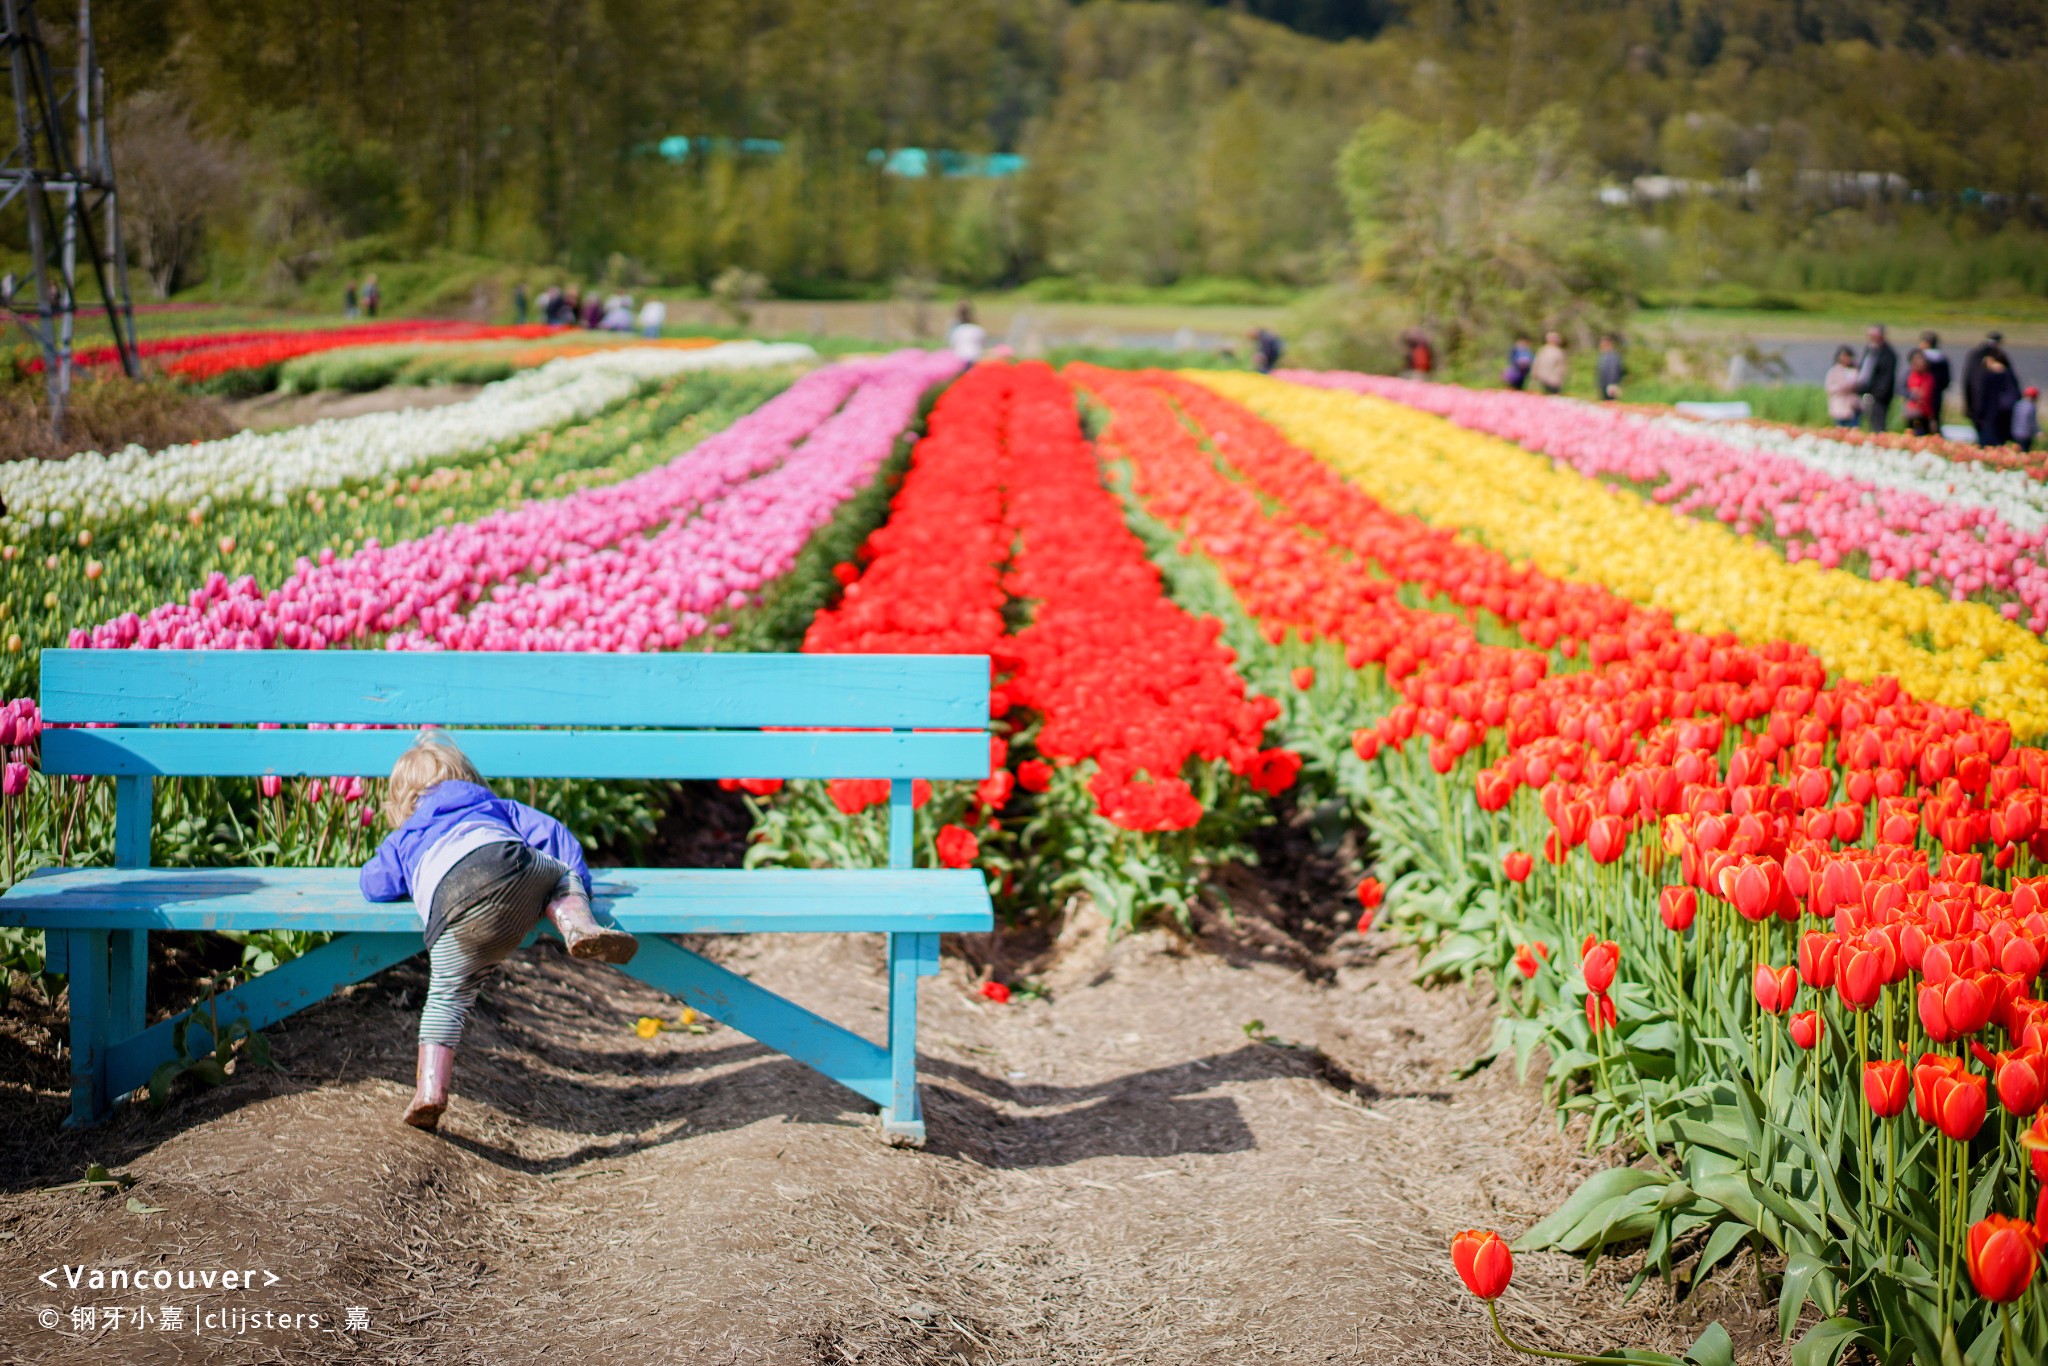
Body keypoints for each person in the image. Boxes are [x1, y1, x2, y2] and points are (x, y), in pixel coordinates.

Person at [361, 733, 638, 1131]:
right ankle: (576, 922)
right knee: (561, 872)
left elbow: (375, 885)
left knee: (445, 1000)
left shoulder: (404, 836)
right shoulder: (493, 806)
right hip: (508, 867)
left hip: (449, 914)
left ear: (403, 801)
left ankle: (429, 1091)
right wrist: (580, 882)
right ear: (468, 778)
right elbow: (555, 838)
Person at [1965, 332, 2017, 443]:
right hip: (2000, 414)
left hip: (1983, 411)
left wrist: (1971, 408)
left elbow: (1969, 383)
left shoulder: (1976, 356)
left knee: (1985, 440)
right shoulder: (2005, 368)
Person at [1856, 324, 1897, 431]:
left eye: (1873, 335)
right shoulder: (1870, 350)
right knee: (1869, 419)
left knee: (1878, 421)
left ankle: (1879, 440)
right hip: (1866, 392)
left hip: (1879, 395)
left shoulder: (1888, 354)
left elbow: (1887, 377)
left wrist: (1878, 393)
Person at [1977, 355, 2021, 446]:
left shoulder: (1988, 376)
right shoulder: (2009, 374)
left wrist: (1979, 414)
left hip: (1991, 414)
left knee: (1989, 440)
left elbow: (1982, 397)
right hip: (2006, 414)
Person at [1912, 331, 1951, 422]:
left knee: (1919, 421)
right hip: (1937, 394)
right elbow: (1946, 379)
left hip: (1920, 395)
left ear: (1926, 343)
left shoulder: (1921, 357)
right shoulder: (1942, 358)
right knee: (1934, 418)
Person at [1823, 346, 1862, 428]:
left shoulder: (1855, 370)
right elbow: (1829, 388)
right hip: (1839, 405)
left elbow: (1860, 384)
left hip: (1853, 405)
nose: (1846, 359)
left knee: (1854, 428)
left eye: (1848, 356)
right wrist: (1842, 387)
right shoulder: (1834, 371)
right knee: (1840, 427)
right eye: (1844, 356)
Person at [1903, 350, 1938, 436]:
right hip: (1912, 411)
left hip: (1926, 412)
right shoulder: (1909, 375)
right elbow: (1901, 389)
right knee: (1912, 433)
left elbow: (1931, 395)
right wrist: (1912, 394)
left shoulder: (1929, 377)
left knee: (1926, 434)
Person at [1595, 335, 1625, 400]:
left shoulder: (1613, 356)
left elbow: (1615, 370)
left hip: (1610, 385)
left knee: (1612, 402)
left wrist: (1613, 383)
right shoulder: (1603, 355)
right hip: (1603, 385)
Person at [2016, 386, 2040, 453]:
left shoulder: (2018, 404)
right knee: (2025, 451)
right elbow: (2032, 422)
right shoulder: (2031, 407)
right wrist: (2037, 431)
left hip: (2016, 433)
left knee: (2019, 450)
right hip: (2026, 434)